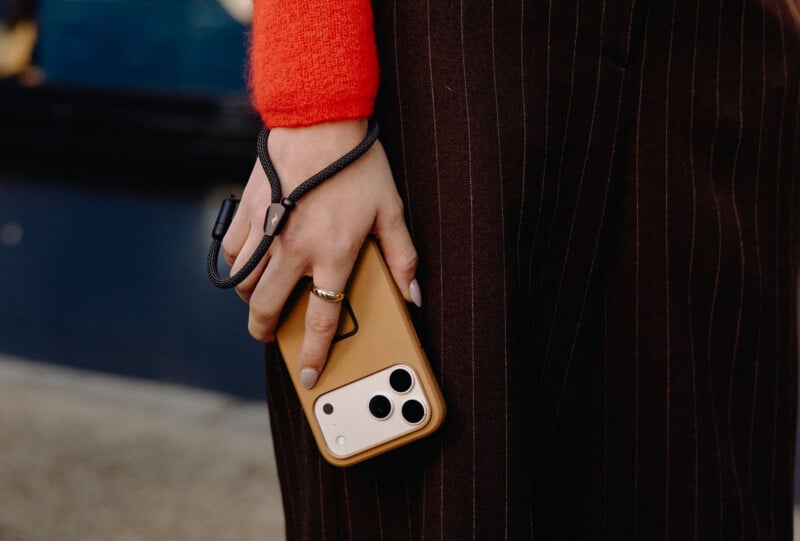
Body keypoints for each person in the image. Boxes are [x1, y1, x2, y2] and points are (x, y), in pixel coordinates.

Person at [222, 0, 800, 538]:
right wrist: (315, 97)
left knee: (701, 488)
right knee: (445, 496)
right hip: (458, 53)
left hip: (721, 49)